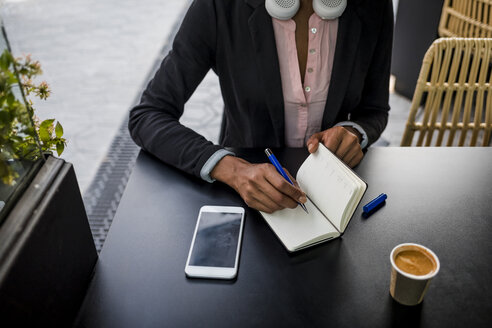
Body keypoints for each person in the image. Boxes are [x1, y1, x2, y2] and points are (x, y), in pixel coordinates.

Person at [129, 0, 393, 213]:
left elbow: (374, 110)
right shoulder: (219, 7)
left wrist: (354, 132)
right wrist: (232, 169)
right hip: (245, 199)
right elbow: (148, 115)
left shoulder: (373, 7)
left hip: (335, 194)